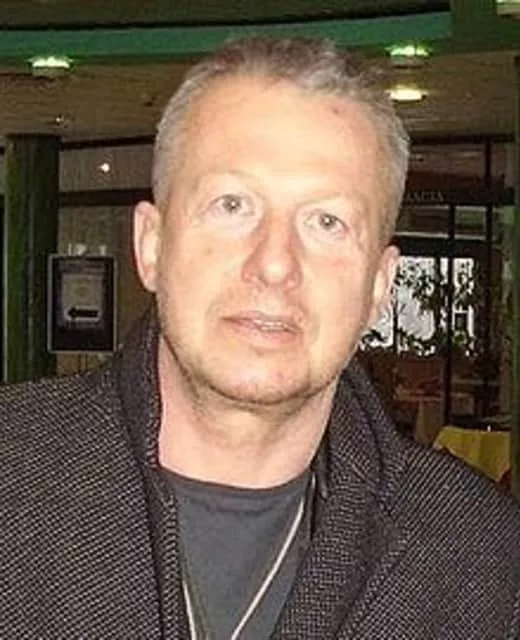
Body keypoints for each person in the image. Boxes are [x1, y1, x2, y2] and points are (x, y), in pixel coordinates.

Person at [2, 36, 520, 640]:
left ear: (379, 287)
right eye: (232, 205)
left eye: (326, 222)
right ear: (151, 245)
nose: (274, 264)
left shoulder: (481, 561)